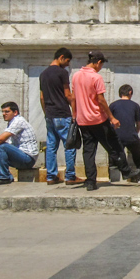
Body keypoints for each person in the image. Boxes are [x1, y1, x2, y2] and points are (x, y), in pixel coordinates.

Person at [71, 51, 140, 191]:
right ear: (98, 62)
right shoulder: (96, 77)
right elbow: (101, 100)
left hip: (83, 120)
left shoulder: (76, 76)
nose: (101, 67)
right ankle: (127, 172)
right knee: (114, 146)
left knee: (88, 151)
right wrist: (112, 117)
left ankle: (91, 181)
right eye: (101, 64)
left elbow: (73, 98)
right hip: (97, 119)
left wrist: (75, 115)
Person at [39, 47, 83, 186]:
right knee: (69, 144)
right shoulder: (62, 73)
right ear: (61, 57)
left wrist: (46, 113)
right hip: (62, 114)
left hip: (50, 115)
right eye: (67, 61)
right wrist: (74, 112)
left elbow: (41, 97)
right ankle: (70, 176)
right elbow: (68, 95)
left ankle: (51, 176)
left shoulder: (43, 74)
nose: (68, 64)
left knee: (51, 146)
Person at [0, 102, 39, 185]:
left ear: (15, 112)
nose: (4, 114)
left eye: (7, 111)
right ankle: (8, 176)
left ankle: (3, 177)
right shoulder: (11, 123)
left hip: (28, 158)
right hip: (21, 156)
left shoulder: (18, 121)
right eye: (3, 112)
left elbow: (1, 139)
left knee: (1, 146)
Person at [109, 84, 140, 174]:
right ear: (130, 93)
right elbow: (138, 124)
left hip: (116, 136)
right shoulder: (135, 106)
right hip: (131, 136)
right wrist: (135, 133)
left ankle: (114, 176)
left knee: (114, 154)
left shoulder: (113, 105)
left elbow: (109, 122)